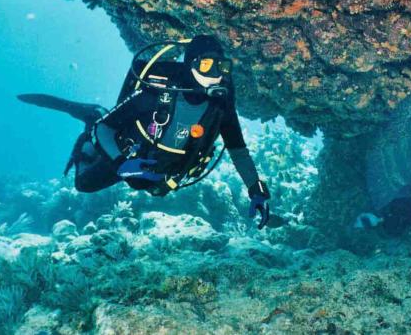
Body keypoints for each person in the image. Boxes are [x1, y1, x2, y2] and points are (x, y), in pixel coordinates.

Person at [19, 35, 271, 229]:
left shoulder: (220, 106)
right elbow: (105, 129)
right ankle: (92, 112)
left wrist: (256, 190)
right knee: (84, 184)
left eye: (222, 67)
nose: (216, 76)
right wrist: (122, 162)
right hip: (129, 156)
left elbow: (238, 150)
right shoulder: (157, 94)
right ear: (191, 65)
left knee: (149, 188)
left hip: (163, 171)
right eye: (207, 66)